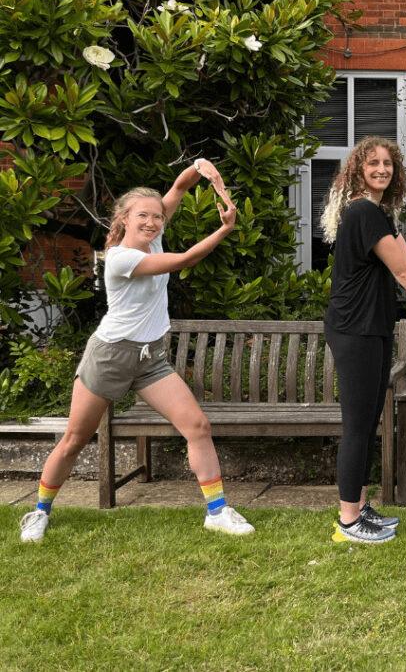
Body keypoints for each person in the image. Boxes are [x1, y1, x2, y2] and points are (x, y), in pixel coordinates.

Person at [20, 159, 255, 542]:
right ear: (124, 219)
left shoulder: (153, 239)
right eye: (142, 216)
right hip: (110, 356)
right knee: (76, 439)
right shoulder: (122, 258)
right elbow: (184, 261)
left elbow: (177, 190)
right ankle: (39, 511)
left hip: (151, 359)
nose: (152, 222)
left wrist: (201, 170)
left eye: (157, 217)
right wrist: (225, 229)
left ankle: (217, 511)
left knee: (197, 427)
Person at [321, 135, 406, 544]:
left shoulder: (378, 214)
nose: (382, 169)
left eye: (389, 164)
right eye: (373, 163)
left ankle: (359, 507)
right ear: (358, 169)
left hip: (370, 327)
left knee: (367, 422)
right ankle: (348, 521)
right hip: (355, 327)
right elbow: (405, 274)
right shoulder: (363, 212)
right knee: (358, 425)